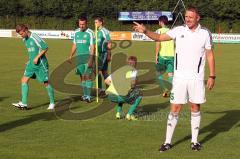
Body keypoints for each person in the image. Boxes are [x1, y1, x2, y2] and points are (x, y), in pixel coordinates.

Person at [134, 6, 215, 151]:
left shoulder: (205, 33)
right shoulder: (178, 30)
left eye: (191, 17)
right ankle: (167, 142)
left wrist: (212, 75)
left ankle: (194, 141)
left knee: (195, 107)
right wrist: (146, 31)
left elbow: (209, 55)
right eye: (186, 16)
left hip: (196, 78)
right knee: (175, 108)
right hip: (179, 79)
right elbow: (159, 37)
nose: (187, 19)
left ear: (198, 18)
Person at [12, 24, 55, 110]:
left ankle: (52, 102)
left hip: (41, 64)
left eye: (21, 34)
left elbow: (45, 47)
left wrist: (37, 57)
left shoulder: (34, 36)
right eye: (19, 34)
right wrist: (30, 59)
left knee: (46, 82)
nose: (21, 36)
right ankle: (24, 103)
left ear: (26, 30)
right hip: (31, 64)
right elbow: (31, 51)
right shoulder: (24, 40)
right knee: (24, 80)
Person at [105, 56, 142, 120]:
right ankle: (129, 114)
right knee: (139, 95)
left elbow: (106, 81)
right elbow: (132, 84)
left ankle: (118, 113)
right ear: (135, 64)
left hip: (110, 96)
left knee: (122, 93)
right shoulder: (134, 71)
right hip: (121, 96)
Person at [69, 16, 95, 103]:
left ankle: (88, 96)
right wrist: (71, 55)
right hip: (78, 58)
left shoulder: (91, 33)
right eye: (80, 24)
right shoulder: (76, 32)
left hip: (87, 58)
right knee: (82, 77)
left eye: (83, 24)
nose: (81, 26)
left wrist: (91, 59)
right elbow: (74, 45)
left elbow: (92, 47)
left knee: (87, 76)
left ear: (86, 23)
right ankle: (84, 95)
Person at [155, 16, 175, 97]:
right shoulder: (172, 31)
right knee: (170, 74)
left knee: (158, 74)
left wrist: (156, 56)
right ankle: (171, 90)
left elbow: (158, 44)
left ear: (161, 22)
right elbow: (174, 44)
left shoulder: (158, 31)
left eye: (159, 21)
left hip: (162, 56)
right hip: (171, 56)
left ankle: (164, 89)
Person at [94, 16, 111, 98]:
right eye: (94, 22)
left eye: (96, 22)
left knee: (96, 70)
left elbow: (109, 44)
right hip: (98, 54)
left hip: (103, 54)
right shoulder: (97, 31)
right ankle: (109, 89)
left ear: (101, 22)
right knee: (104, 71)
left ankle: (100, 90)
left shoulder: (104, 31)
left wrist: (109, 54)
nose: (95, 24)